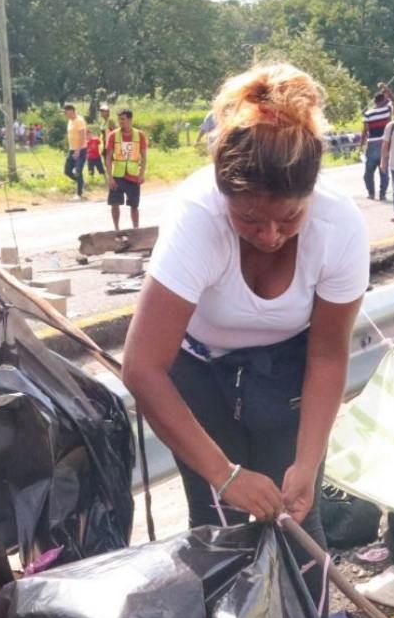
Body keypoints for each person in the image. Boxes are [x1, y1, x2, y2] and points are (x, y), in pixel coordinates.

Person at [120, 62, 366, 556]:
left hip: (289, 368)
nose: (270, 236)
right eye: (249, 219)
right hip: (201, 369)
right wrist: (224, 474)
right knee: (220, 518)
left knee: (296, 512)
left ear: (310, 196)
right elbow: (143, 367)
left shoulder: (339, 228)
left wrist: (308, 458)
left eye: (288, 218)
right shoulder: (198, 218)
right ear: (223, 192)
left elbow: (327, 356)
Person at [105, 108, 148, 232]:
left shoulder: (140, 135)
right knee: (114, 203)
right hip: (117, 174)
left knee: (134, 205)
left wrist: (142, 174)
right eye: (119, 119)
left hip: (133, 175)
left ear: (130, 119)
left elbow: (144, 157)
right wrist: (110, 177)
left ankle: (136, 229)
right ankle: (116, 229)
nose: (120, 122)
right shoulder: (113, 135)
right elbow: (108, 157)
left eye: (123, 119)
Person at [360, 85, 394, 201]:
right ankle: (382, 194)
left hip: (372, 145)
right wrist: (386, 87)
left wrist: (361, 145)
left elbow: (365, 131)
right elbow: (393, 99)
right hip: (384, 144)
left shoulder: (368, 113)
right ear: (383, 101)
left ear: (375, 101)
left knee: (368, 173)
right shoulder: (386, 110)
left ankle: (371, 193)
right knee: (384, 171)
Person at [63, 103, 90, 198]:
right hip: (72, 149)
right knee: (67, 171)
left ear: (72, 111)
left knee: (78, 170)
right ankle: (82, 182)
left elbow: (83, 136)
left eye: (67, 112)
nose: (66, 114)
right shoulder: (70, 121)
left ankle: (79, 193)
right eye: (65, 113)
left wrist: (78, 151)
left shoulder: (79, 120)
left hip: (81, 149)